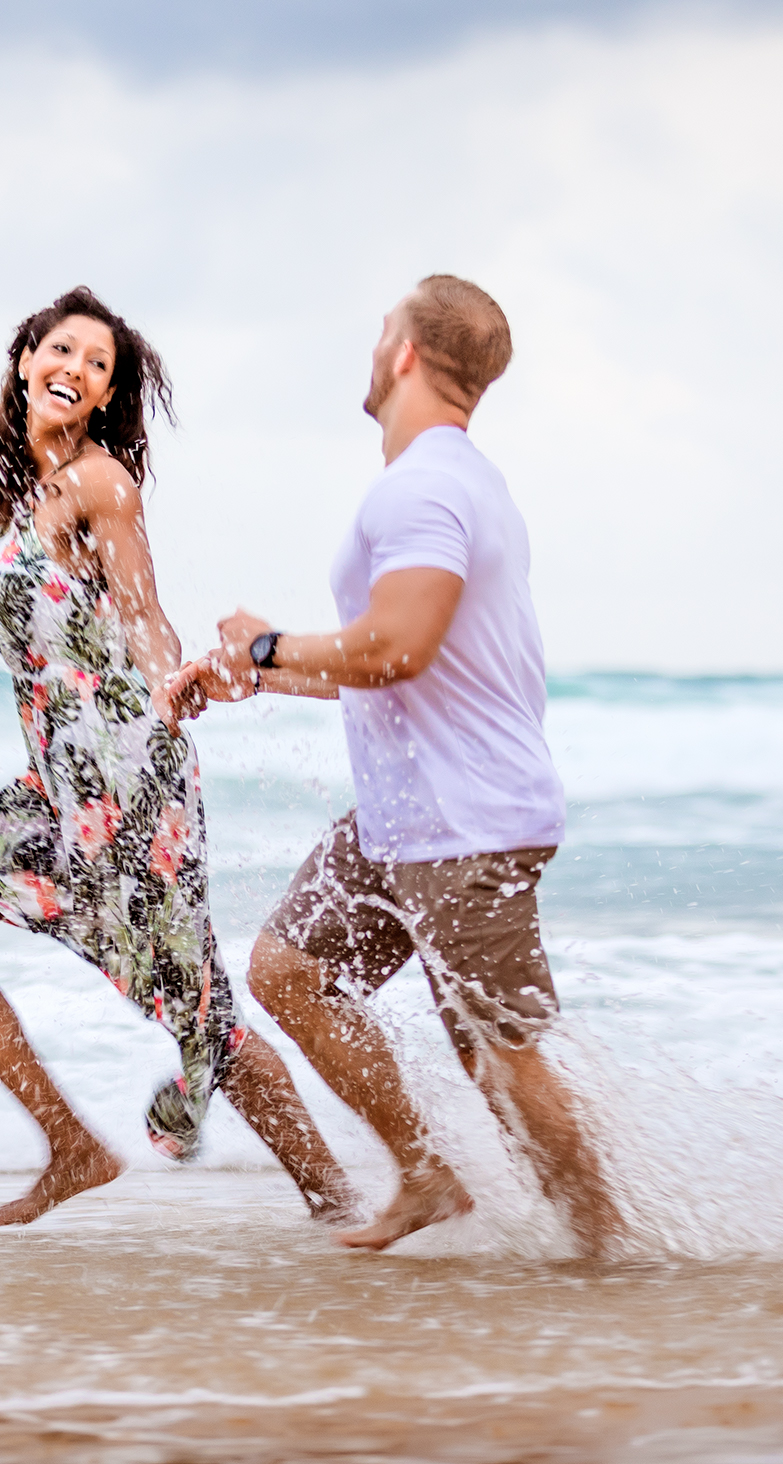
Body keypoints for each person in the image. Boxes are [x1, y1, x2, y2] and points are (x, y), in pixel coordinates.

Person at [0, 286, 355, 1228]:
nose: (75, 370)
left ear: (105, 396)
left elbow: (141, 611)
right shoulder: (9, 487)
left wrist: (178, 683)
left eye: (98, 366)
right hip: (54, 781)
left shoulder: (100, 486)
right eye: (62, 351)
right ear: (26, 358)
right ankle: (73, 1146)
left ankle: (335, 1199)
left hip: (128, 783)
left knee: (200, 1014)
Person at [169, 274, 625, 1256]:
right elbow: (400, 666)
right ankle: (425, 1174)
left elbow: (401, 645)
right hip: (402, 819)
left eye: (382, 330)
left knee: (497, 1057)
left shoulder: (425, 486)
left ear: (407, 353)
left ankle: (605, 1244)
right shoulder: (451, 481)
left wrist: (266, 646)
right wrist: (258, 675)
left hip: (467, 824)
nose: (373, 347)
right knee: (290, 971)